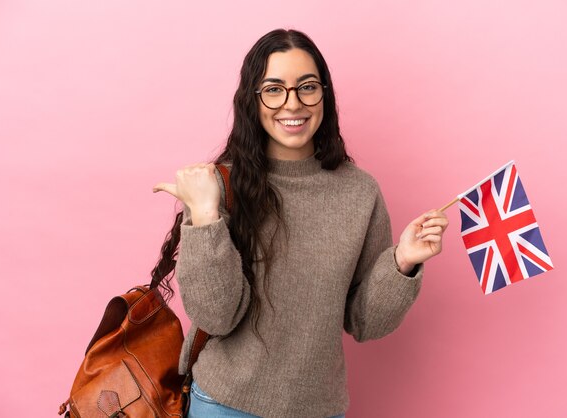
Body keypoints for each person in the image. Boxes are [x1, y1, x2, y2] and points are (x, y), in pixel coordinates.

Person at [152, 28, 448, 418]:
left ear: (324, 94)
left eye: (307, 87)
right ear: (252, 100)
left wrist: (402, 263)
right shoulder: (215, 186)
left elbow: (364, 322)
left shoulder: (359, 192)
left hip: (319, 410)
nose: (292, 104)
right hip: (224, 406)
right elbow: (215, 317)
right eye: (273, 89)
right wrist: (206, 217)